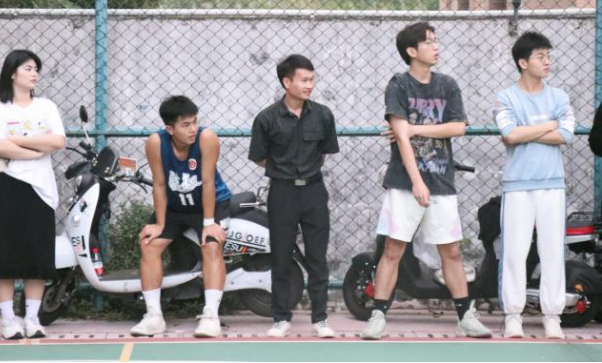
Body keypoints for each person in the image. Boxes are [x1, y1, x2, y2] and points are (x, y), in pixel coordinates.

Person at [361, 22, 492, 340]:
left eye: (436, 41)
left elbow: (458, 127)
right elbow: (401, 138)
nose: (436, 47)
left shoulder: (447, 85)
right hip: (404, 183)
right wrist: (417, 181)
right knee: (393, 249)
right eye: (429, 42)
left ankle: (465, 317)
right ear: (411, 51)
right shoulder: (399, 85)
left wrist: (415, 128)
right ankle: (378, 316)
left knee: (451, 252)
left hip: (442, 181)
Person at [249, 54, 340, 338]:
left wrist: (306, 170)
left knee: (317, 257)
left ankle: (320, 319)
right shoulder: (266, 118)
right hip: (282, 192)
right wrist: (284, 170)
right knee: (281, 256)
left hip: (314, 191)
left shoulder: (323, 115)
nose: (309, 85)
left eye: (312, 79)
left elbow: (325, 151)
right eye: (304, 80)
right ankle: (280, 318)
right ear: (286, 82)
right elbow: (259, 156)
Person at [493, 32, 575, 339]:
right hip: (517, 185)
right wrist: (548, 125)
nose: (547, 61)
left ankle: (552, 316)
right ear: (523, 62)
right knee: (514, 252)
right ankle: (512, 316)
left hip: (552, 184)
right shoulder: (506, 97)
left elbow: (565, 135)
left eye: (548, 56)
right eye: (541, 57)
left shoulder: (559, 97)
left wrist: (527, 130)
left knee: (552, 251)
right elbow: (510, 134)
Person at [130, 96, 232, 338]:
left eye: (195, 122)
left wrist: (209, 223)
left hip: (209, 203)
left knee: (211, 245)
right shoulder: (156, 143)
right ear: (170, 129)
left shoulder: (207, 138)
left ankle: (211, 316)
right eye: (186, 125)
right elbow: (159, 183)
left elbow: (207, 181)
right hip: (175, 207)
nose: (193, 129)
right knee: (149, 244)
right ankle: (154, 316)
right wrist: (160, 223)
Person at [0, 50, 66, 340]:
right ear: (12, 73)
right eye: (28, 68)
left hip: (40, 188)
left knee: (37, 255)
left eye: (36, 69)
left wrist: (16, 140)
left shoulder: (46, 106)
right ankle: (9, 321)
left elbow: (58, 140)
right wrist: (34, 151)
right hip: (7, 184)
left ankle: (32, 318)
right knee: (4, 256)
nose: (34, 74)